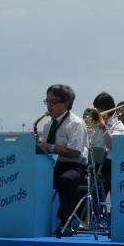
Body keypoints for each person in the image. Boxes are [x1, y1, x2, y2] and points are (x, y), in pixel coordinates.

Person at [36, 84, 88, 234]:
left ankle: (67, 222)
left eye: (53, 102)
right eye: (47, 102)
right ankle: (35, 219)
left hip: (74, 166)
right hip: (52, 165)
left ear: (65, 103)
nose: (49, 106)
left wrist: (50, 147)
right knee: (33, 178)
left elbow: (75, 152)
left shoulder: (75, 123)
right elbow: (43, 149)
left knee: (66, 180)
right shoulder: (48, 124)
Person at [88, 91, 124, 196]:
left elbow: (112, 145)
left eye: (99, 109)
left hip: (109, 166)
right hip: (93, 164)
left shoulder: (118, 125)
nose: (97, 113)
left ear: (107, 109)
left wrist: (104, 127)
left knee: (97, 190)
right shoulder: (94, 125)